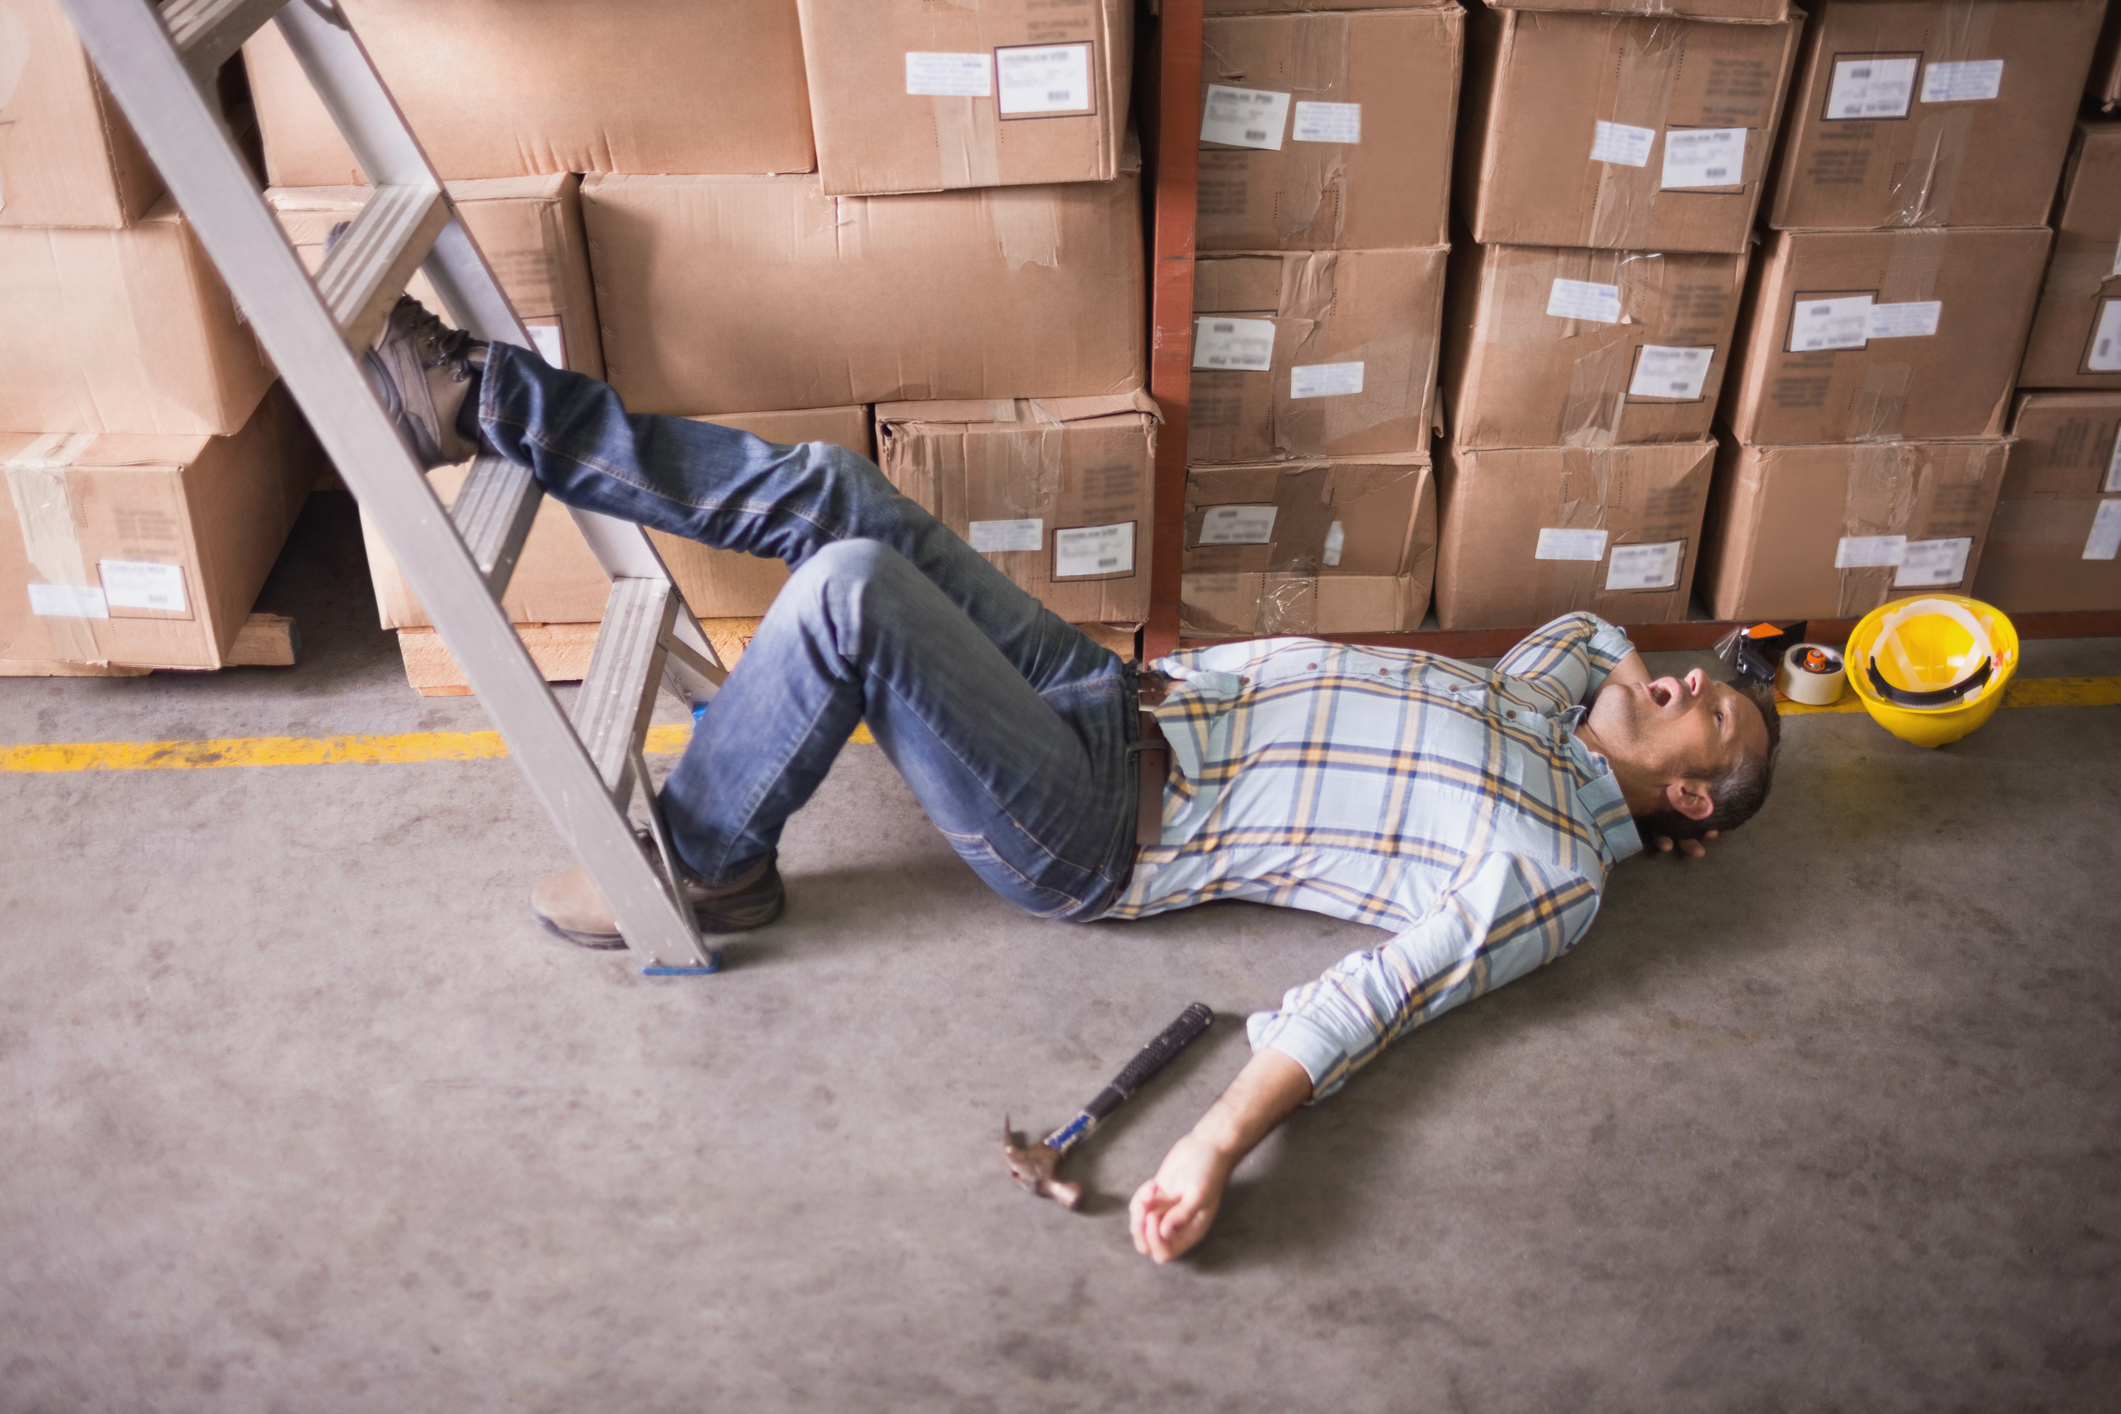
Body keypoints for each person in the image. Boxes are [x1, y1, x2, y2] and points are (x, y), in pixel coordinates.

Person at [364, 299, 1781, 1265]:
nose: (1698, 686)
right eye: (1712, 679)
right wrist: (1655, 739)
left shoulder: (1554, 869)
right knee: (839, 495)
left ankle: (709, 852)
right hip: (1114, 698)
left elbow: (1383, 997)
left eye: (1718, 725)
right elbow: (1598, 630)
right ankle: (498, 405)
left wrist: (1216, 1143)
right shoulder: (1551, 698)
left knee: (852, 592)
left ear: (1698, 803)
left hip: (1104, 826)